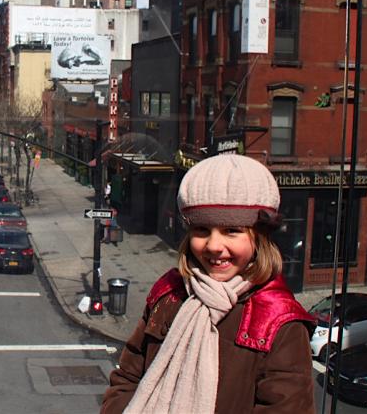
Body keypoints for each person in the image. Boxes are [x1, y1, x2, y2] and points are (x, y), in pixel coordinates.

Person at [101, 154, 316, 414]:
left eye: (231, 230)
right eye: (202, 229)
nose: (214, 246)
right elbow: (127, 378)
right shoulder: (169, 294)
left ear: (260, 236)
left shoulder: (278, 321)